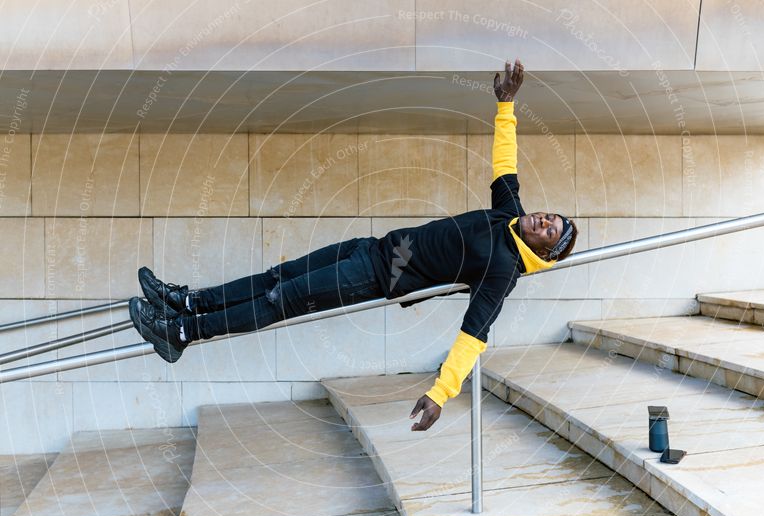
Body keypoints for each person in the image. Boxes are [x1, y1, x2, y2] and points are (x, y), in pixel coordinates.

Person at [129, 58, 578, 432]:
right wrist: (506, 104)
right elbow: (505, 160)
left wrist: (441, 392)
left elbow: (473, 336)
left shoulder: (502, 271)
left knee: (279, 298)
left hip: (375, 276)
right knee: (277, 276)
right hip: (372, 249)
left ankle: (182, 333)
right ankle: (187, 302)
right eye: (549, 216)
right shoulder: (509, 215)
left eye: (549, 232)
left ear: (545, 252)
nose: (542, 220)